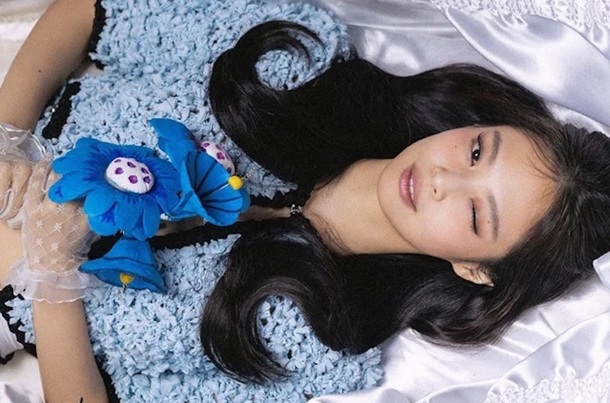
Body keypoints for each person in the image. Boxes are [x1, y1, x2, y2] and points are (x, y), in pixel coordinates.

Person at [0, 0, 609, 401]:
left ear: (475, 270)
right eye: (477, 151)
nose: (443, 179)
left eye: (476, 214)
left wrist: (54, 279)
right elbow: (93, 12)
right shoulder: (297, 59)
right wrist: (7, 137)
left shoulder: (320, 345)